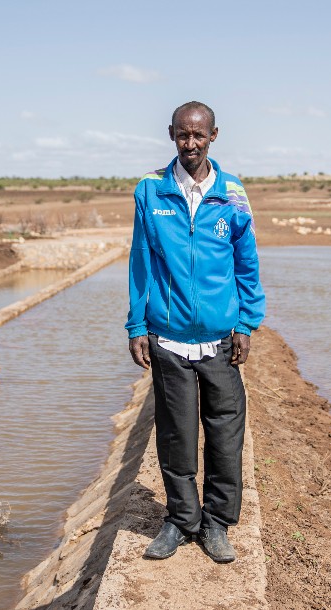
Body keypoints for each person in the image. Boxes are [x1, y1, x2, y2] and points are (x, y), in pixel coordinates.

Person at [126, 101, 266, 563]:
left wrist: (246, 322)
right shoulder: (150, 190)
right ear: (171, 135)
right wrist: (138, 323)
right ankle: (181, 520)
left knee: (225, 434)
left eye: (199, 136)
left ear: (213, 136)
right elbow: (141, 261)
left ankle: (217, 523)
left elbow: (247, 265)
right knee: (176, 435)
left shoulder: (233, 193)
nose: (190, 144)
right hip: (168, 339)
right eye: (183, 135)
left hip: (220, 341)